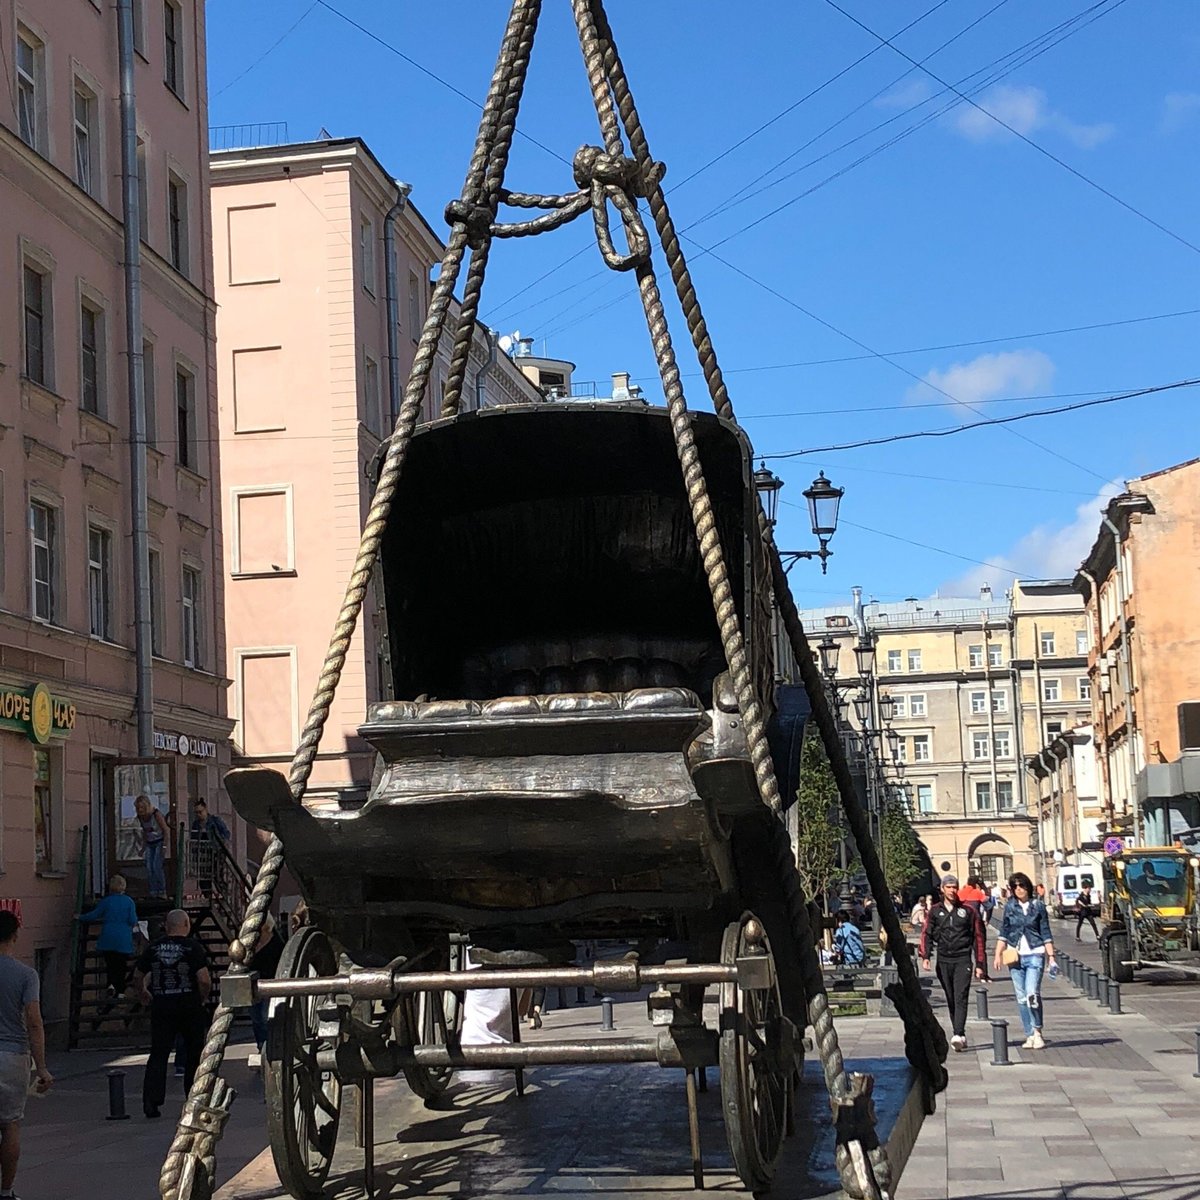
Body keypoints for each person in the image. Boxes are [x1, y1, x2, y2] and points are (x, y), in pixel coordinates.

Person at [134, 909, 211, 1118]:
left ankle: (151, 1101)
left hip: (162, 1005)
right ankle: (194, 1098)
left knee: (158, 1053)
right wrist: (202, 997)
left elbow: (139, 974)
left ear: (167, 927)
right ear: (186, 924)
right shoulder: (193, 947)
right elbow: (203, 978)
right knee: (194, 1054)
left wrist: (143, 993)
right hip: (189, 1005)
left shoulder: (154, 947)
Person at [0, 913, 52, 1200]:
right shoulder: (25, 974)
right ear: (15, 936)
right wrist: (41, 1067)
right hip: (12, 1055)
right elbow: (34, 1021)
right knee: (9, 1124)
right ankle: (6, 1191)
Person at [918, 875, 985, 1052]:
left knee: (960, 995)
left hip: (963, 959)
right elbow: (927, 933)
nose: (952, 890)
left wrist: (980, 964)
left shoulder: (968, 911)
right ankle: (960, 1033)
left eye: (954, 887)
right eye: (948, 887)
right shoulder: (934, 911)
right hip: (944, 959)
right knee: (951, 997)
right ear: (942, 889)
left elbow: (978, 938)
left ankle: (958, 1033)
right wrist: (925, 956)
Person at [994, 872, 1057, 1051]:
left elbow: (1045, 932)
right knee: (1022, 998)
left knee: (1032, 994)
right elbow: (1004, 932)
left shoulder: (1038, 906)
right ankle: (1029, 1034)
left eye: (1021, 886)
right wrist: (998, 954)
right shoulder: (1010, 907)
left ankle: (1038, 1031)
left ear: (1028, 887)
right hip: (1015, 956)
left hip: (1035, 954)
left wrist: (1051, 957)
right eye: (1015, 887)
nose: (1019, 889)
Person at [78, 875, 140, 1025]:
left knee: (110, 965)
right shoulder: (129, 902)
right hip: (123, 940)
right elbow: (133, 920)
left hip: (108, 938)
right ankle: (120, 992)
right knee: (122, 966)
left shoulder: (106, 901)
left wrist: (80, 917)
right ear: (124, 887)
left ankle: (111, 985)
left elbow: (94, 914)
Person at [245, 915, 285, 1069]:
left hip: (269, 986)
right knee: (255, 1018)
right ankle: (260, 1046)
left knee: (265, 1017)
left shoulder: (277, 944)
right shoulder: (251, 943)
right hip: (253, 987)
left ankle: (269, 1050)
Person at [134, 795, 169, 900]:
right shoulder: (140, 817)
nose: (140, 810)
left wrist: (164, 846)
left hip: (159, 842)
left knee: (156, 866)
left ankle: (162, 891)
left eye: (142, 807)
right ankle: (153, 891)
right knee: (149, 867)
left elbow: (165, 830)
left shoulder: (156, 814)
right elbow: (145, 833)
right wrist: (143, 848)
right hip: (150, 843)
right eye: (138, 808)